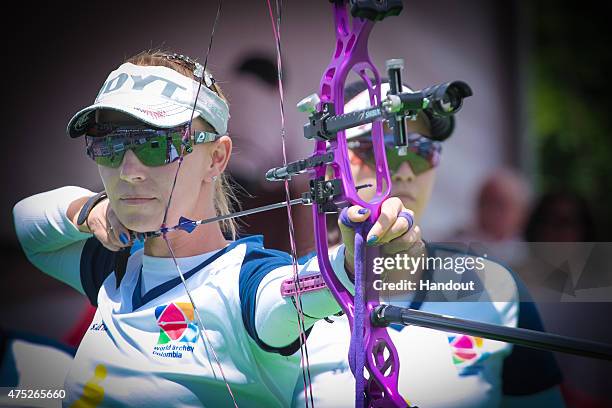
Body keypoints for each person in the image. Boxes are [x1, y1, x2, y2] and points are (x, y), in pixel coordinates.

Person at [12, 51, 420, 407]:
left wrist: (362, 259)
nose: (129, 171)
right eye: (110, 145)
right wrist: (90, 209)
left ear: (217, 157)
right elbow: (26, 223)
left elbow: (312, 285)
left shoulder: (247, 288)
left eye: (156, 145)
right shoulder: (114, 267)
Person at [292, 81, 565, 407]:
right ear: (327, 168)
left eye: (422, 152)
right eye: (381, 148)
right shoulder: (279, 302)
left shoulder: (494, 287)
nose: (406, 171)